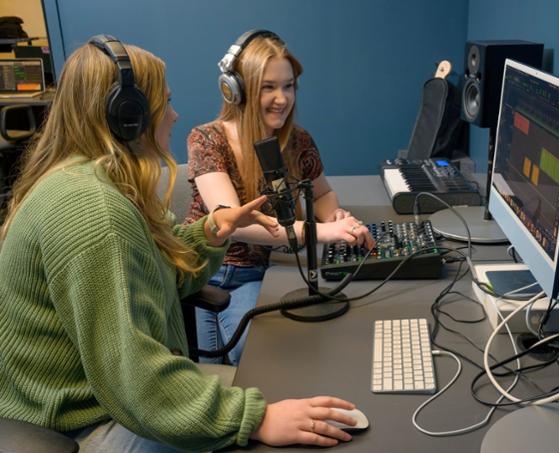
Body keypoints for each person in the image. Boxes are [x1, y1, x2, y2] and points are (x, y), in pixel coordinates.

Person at [0, 35, 360, 452]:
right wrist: (255, 417)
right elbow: (135, 376)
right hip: (81, 423)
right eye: (164, 103)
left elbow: (158, 275)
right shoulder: (92, 209)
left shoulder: (104, 183)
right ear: (128, 117)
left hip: (110, 396)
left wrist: (211, 232)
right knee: (277, 432)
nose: (174, 115)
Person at [186, 30, 375, 365]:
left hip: (259, 271)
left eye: (288, 86)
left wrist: (336, 218)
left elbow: (323, 193)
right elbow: (233, 223)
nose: (282, 98)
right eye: (268, 87)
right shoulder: (206, 140)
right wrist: (319, 232)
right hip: (207, 269)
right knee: (228, 364)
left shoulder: (298, 140)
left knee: (261, 354)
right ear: (237, 91)